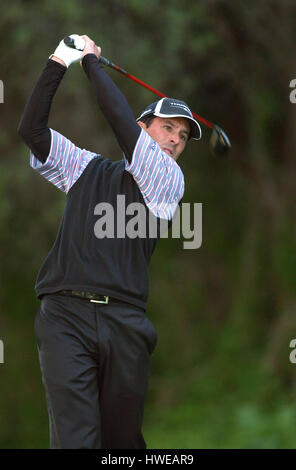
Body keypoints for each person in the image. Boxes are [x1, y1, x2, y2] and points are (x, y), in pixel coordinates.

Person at [17, 34, 201, 449]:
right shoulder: (86, 168)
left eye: (183, 136)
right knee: (76, 441)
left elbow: (118, 119)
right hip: (64, 316)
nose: (174, 139)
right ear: (145, 127)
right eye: (167, 127)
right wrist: (60, 62)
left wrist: (92, 65)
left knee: (122, 445)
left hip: (125, 325)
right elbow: (32, 130)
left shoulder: (168, 181)